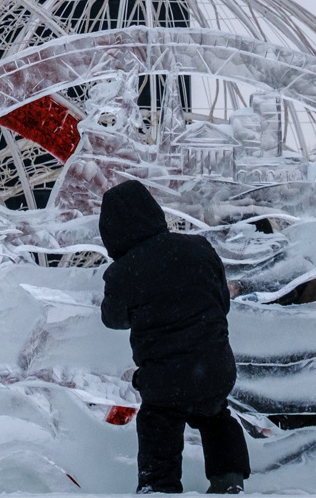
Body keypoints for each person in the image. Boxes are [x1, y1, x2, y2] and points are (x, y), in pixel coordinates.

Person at [99, 180, 249, 494]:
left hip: (166, 378)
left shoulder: (123, 272)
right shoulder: (198, 247)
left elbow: (113, 319)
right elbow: (222, 300)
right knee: (214, 413)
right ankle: (229, 479)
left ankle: (159, 486)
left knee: (159, 422)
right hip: (216, 368)